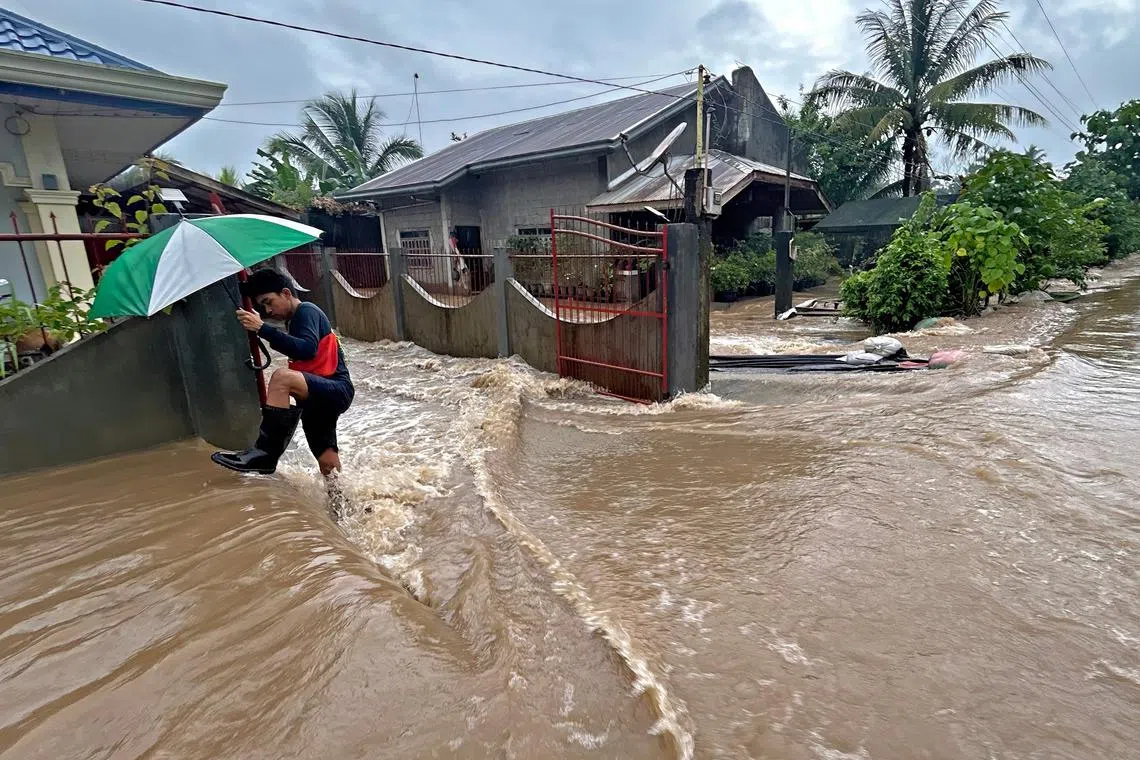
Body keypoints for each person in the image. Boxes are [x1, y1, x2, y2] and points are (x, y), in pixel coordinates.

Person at [211, 269, 354, 478]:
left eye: (269, 302)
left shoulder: (306, 311)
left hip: (335, 389)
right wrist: (260, 327)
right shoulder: (293, 320)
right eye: (263, 306)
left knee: (281, 377)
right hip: (316, 397)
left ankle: (265, 453)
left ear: (286, 293)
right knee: (327, 464)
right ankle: (343, 506)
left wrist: (262, 328)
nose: (268, 310)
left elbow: (306, 349)